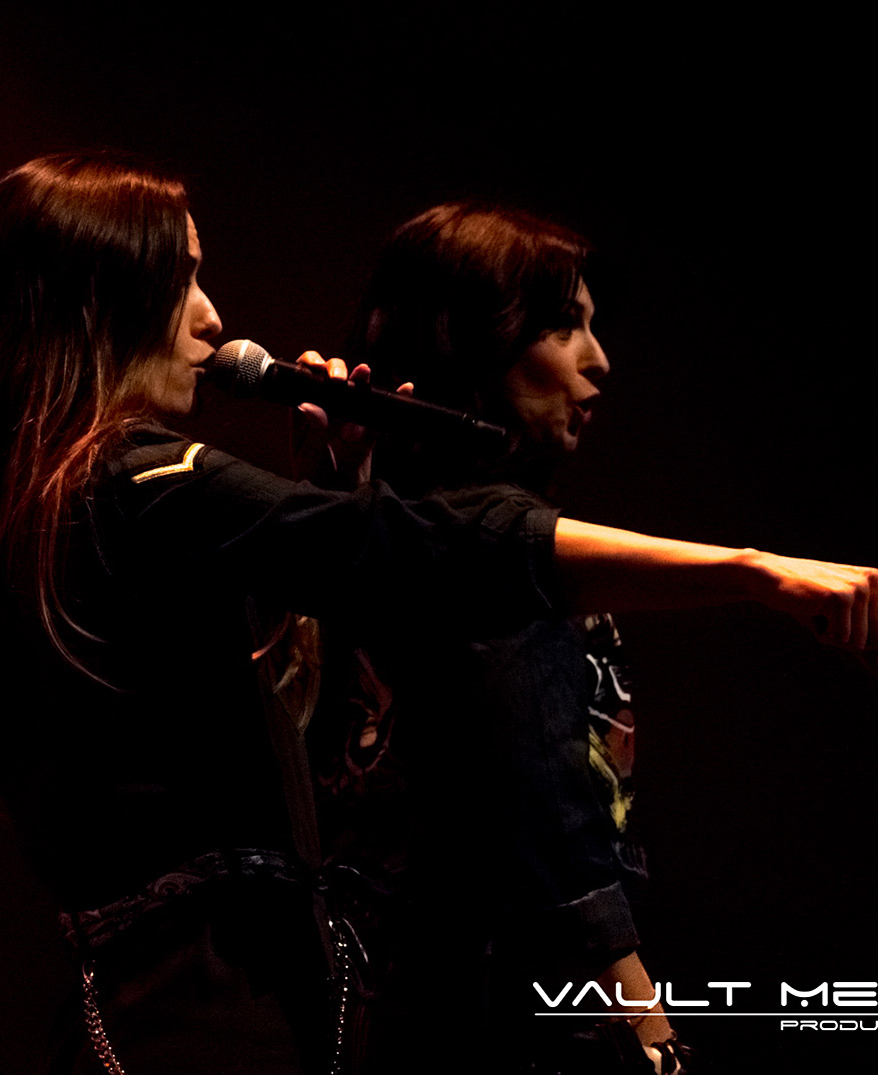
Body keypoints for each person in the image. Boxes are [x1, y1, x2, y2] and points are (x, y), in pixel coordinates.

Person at [0, 154, 878, 1075]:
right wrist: (757, 569)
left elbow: (280, 738)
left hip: (169, 1002)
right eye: (181, 278)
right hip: (209, 1018)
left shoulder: (67, 499)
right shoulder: (142, 483)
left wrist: (317, 505)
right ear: (102, 297)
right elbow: (438, 557)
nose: (212, 316)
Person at [312, 203, 686, 1072]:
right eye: (565, 327)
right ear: (471, 340)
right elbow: (543, 811)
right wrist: (648, 1024)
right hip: (495, 1007)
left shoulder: (369, 530)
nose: (600, 361)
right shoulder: (490, 555)